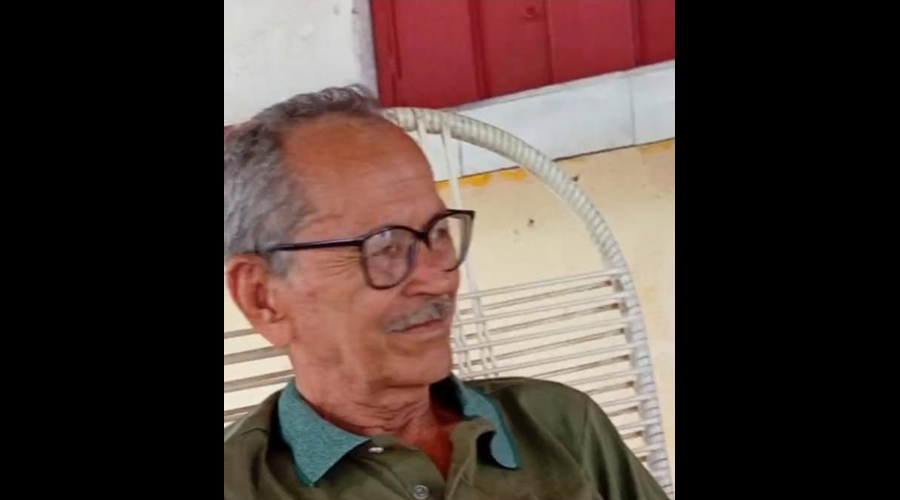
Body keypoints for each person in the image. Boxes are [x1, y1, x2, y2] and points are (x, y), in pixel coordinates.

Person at [223, 85, 670, 500]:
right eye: (384, 247)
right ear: (263, 297)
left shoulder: (560, 426)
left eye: (437, 232)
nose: (438, 279)